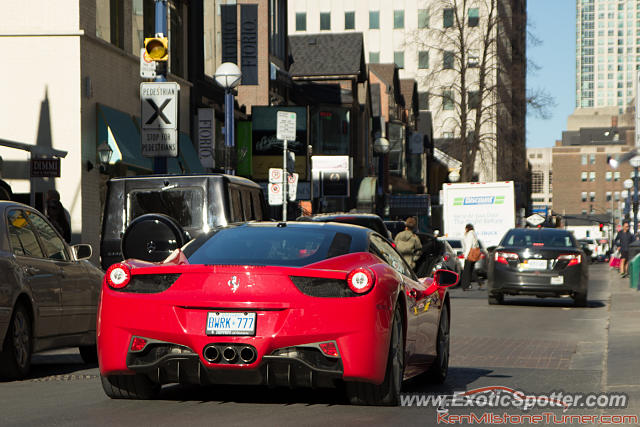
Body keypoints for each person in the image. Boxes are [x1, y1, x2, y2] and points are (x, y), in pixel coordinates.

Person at [461, 223, 480, 291]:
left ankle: (465, 285)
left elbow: (469, 245)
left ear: (467, 228)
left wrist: (466, 255)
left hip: (470, 254)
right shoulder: (473, 234)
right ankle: (478, 282)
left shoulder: (469, 234)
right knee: (471, 270)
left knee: (466, 270)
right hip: (473, 254)